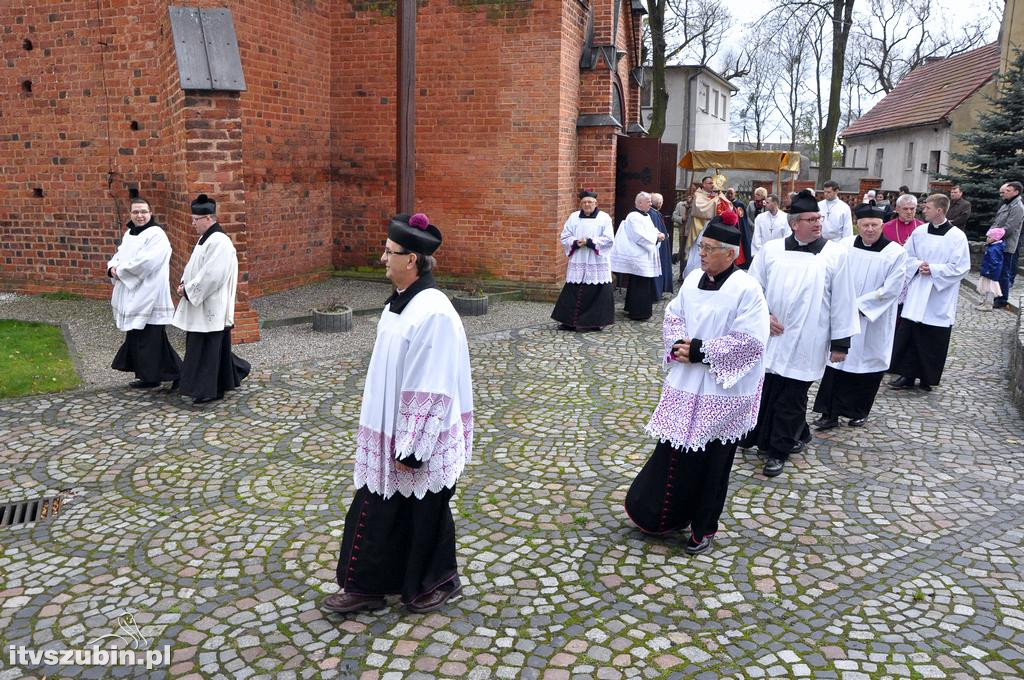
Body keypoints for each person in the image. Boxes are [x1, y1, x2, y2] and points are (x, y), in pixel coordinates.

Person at [322, 212, 473, 615]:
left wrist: (413, 448)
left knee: (418, 513)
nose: (382, 259)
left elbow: (433, 384)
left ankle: (426, 582)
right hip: (389, 429)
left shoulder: (433, 312)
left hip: (418, 439)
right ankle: (380, 585)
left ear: (413, 260)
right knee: (397, 511)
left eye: (390, 253)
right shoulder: (400, 304)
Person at [626, 216, 769, 556]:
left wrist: (702, 350)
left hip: (725, 393)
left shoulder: (747, 289)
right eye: (700, 247)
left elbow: (751, 341)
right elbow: (673, 315)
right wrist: (678, 343)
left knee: (714, 464)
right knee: (676, 452)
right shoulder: (691, 281)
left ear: (731, 254)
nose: (701, 254)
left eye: (708, 249)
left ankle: (704, 528)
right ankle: (667, 514)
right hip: (687, 384)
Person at [744, 189, 859, 478]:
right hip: (773, 335)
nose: (818, 223)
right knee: (769, 388)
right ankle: (779, 434)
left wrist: (840, 343)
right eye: (811, 219)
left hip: (810, 337)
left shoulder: (835, 255)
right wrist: (763, 316)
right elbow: (752, 290)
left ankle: (778, 450)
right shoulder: (771, 251)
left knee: (793, 395)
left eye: (819, 218)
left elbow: (843, 300)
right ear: (795, 223)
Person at [811, 202, 907, 429]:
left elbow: (892, 289)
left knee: (867, 364)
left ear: (882, 225)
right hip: (843, 318)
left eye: (875, 225)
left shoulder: (895, 253)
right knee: (836, 365)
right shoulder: (843, 246)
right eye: (865, 225)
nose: (870, 229)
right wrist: (839, 305)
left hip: (874, 320)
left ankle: (858, 411)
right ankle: (829, 413)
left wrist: (857, 306)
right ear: (857, 225)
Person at [172, 194, 251, 404]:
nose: (192, 223)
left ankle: (210, 389)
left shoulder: (220, 242)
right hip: (204, 304)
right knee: (212, 349)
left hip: (212, 305)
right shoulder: (205, 239)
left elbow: (212, 276)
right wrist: (184, 284)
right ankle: (230, 376)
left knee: (207, 350)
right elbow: (195, 267)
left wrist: (188, 291)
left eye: (195, 219)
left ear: (207, 218)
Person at [889, 194, 970, 391]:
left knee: (932, 337)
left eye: (927, 208)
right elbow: (906, 255)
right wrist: (918, 265)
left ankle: (927, 377)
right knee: (911, 333)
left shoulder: (957, 236)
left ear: (939, 211)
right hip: (918, 290)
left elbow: (961, 267)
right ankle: (906, 375)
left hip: (938, 295)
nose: (922, 210)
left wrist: (934, 270)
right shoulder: (920, 231)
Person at [107, 197, 181, 388]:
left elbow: (146, 262)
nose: (140, 216)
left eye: (143, 212)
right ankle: (150, 376)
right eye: (136, 212)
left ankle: (178, 374)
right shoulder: (130, 233)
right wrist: (112, 267)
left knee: (151, 340)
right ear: (130, 214)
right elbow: (120, 255)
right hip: (134, 294)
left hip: (150, 294)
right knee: (141, 338)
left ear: (150, 213)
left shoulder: (156, 235)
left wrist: (121, 271)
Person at [551, 189, 615, 331]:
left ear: (596, 203)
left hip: (596, 261)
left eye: (590, 202)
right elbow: (565, 236)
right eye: (584, 202)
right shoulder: (574, 217)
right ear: (580, 204)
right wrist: (575, 242)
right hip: (579, 258)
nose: (587, 204)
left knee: (597, 291)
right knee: (573, 290)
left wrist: (590, 242)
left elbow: (609, 239)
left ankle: (594, 322)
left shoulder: (604, 218)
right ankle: (569, 322)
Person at [611, 192, 663, 321]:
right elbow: (639, 236)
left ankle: (631, 307)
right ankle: (639, 312)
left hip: (644, 255)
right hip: (639, 255)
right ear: (640, 203)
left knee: (638, 283)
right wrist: (656, 238)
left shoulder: (645, 215)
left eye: (651, 201)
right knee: (640, 284)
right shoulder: (633, 216)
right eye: (648, 201)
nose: (651, 204)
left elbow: (651, 229)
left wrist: (658, 233)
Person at [680, 176, 729, 280]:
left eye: (713, 183)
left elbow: (727, 205)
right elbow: (701, 210)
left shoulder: (714, 195)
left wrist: (721, 198)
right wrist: (717, 200)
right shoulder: (698, 195)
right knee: (699, 252)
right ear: (704, 185)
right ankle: (694, 276)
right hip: (700, 230)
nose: (712, 185)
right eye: (710, 183)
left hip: (712, 229)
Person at [992, 181, 1023, 309]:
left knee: (1004, 272)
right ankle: (996, 295)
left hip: (1006, 244)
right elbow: (997, 221)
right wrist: (991, 233)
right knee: (998, 271)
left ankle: (1002, 299)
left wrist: (994, 236)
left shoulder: (1018, 207)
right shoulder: (1007, 204)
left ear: (1016, 192)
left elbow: (1009, 227)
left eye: (1008, 190)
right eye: (1005, 190)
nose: (1005, 192)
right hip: (998, 242)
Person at [750, 194, 790, 259]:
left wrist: (781, 252)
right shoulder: (760, 218)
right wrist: (759, 253)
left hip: (779, 254)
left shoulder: (786, 218)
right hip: (763, 253)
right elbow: (756, 236)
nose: (765, 204)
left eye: (768, 202)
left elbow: (787, 236)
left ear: (775, 203)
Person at [976, 227, 1006, 311]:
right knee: (987, 287)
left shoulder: (994, 249)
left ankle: (988, 304)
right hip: (989, 271)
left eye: (989, 237)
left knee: (990, 288)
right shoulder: (993, 247)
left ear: (995, 239)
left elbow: (994, 262)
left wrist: (988, 270)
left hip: (990, 272)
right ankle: (986, 302)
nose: (987, 239)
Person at [651, 193, 675, 298]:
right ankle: (657, 291)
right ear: (659, 203)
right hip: (658, 245)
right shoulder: (654, 214)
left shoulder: (653, 213)